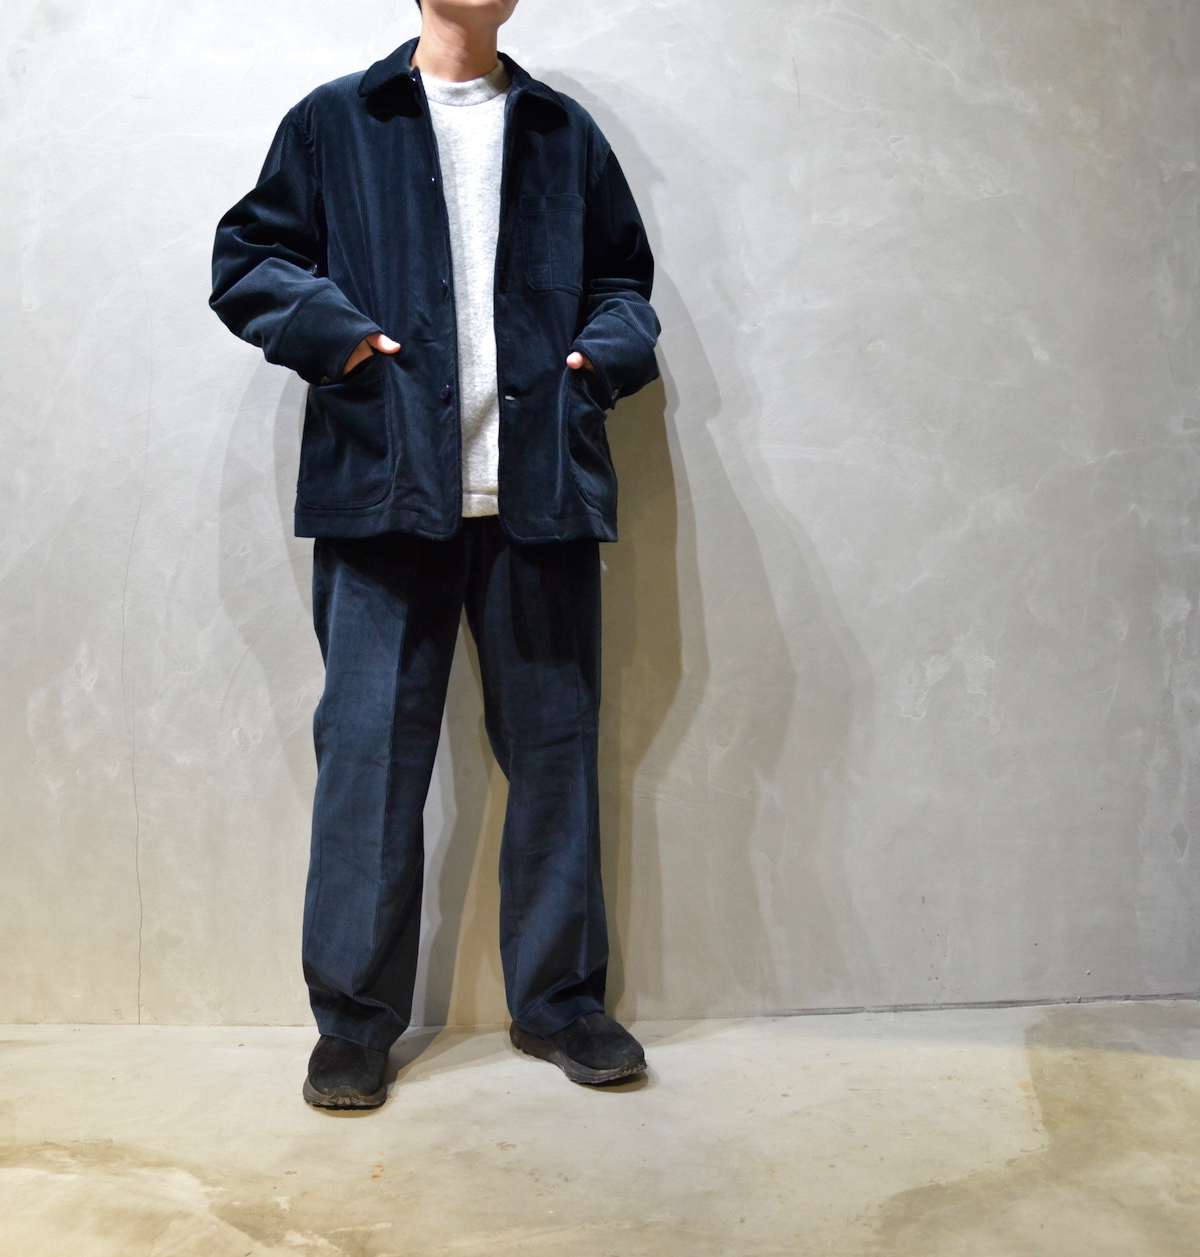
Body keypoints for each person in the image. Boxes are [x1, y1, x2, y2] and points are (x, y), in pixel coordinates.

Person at [209, 0, 661, 1109]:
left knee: (554, 755)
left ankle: (561, 1005)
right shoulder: (337, 122)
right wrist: (346, 344)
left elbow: (623, 284)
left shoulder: (561, 131)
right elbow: (250, 260)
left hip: (539, 493)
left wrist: (596, 364)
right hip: (383, 494)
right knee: (367, 762)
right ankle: (353, 1024)